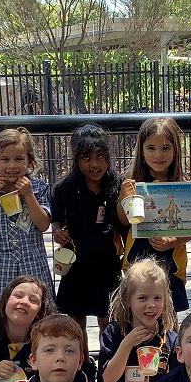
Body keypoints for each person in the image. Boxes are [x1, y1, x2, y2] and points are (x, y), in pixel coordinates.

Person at [0, 127, 53, 337]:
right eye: (5, 159)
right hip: (0, 265)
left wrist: (29, 195)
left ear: (30, 161)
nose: (12, 165)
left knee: (38, 319)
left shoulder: (38, 187)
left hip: (32, 263)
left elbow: (43, 224)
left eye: (19, 159)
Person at [97, 258, 180, 382]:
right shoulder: (114, 333)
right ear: (128, 300)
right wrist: (127, 344)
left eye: (157, 298)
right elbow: (108, 379)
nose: (151, 305)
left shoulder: (169, 338)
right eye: (143, 298)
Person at [52, 124, 125, 339]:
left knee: (108, 319)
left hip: (107, 262)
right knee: (76, 321)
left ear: (108, 156)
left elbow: (125, 224)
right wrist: (57, 231)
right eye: (86, 158)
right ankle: (82, 359)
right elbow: (56, 221)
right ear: (76, 159)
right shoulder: (64, 188)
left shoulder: (118, 185)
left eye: (100, 156)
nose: (94, 164)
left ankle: (108, 357)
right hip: (75, 262)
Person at [117, 118, 191, 312]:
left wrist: (174, 241)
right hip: (137, 260)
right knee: (139, 312)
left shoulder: (183, 186)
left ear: (176, 150)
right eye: (151, 148)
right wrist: (124, 197)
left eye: (166, 148)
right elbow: (123, 221)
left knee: (170, 316)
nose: (158, 155)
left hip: (172, 264)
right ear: (141, 151)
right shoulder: (131, 182)